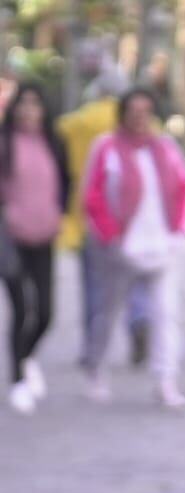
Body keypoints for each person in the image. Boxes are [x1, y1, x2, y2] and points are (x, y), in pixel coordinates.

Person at [81, 88, 185, 408]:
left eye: (145, 112)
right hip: (121, 249)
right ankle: (95, 367)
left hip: (162, 244)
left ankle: (166, 379)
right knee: (107, 313)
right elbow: (92, 196)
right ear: (122, 115)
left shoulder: (164, 147)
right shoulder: (106, 147)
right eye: (133, 112)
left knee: (166, 314)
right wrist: (110, 236)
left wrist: (183, 230)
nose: (140, 120)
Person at [59, 65, 155, 369]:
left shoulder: (79, 121)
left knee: (96, 285)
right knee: (136, 277)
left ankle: (92, 346)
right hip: (137, 214)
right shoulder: (144, 123)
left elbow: (56, 132)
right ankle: (138, 318)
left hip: (89, 211)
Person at [1, 80, 70, 415]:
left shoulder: (53, 142)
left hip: (44, 236)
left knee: (45, 313)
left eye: (35, 103)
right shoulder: (4, 143)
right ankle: (17, 380)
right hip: (10, 240)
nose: (29, 110)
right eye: (23, 103)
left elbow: (65, 183)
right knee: (20, 310)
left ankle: (26, 356)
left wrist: (60, 215)